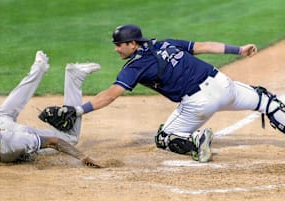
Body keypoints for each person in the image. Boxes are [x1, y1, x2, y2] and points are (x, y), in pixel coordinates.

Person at [72, 24, 285, 163]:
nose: (116, 49)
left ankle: (196, 142)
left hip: (199, 103)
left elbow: (110, 95)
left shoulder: (134, 67)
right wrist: (238, 50)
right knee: (268, 102)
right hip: (223, 84)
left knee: (164, 138)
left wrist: (79, 110)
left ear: (133, 44)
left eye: (119, 45)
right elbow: (203, 46)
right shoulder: (166, 43)